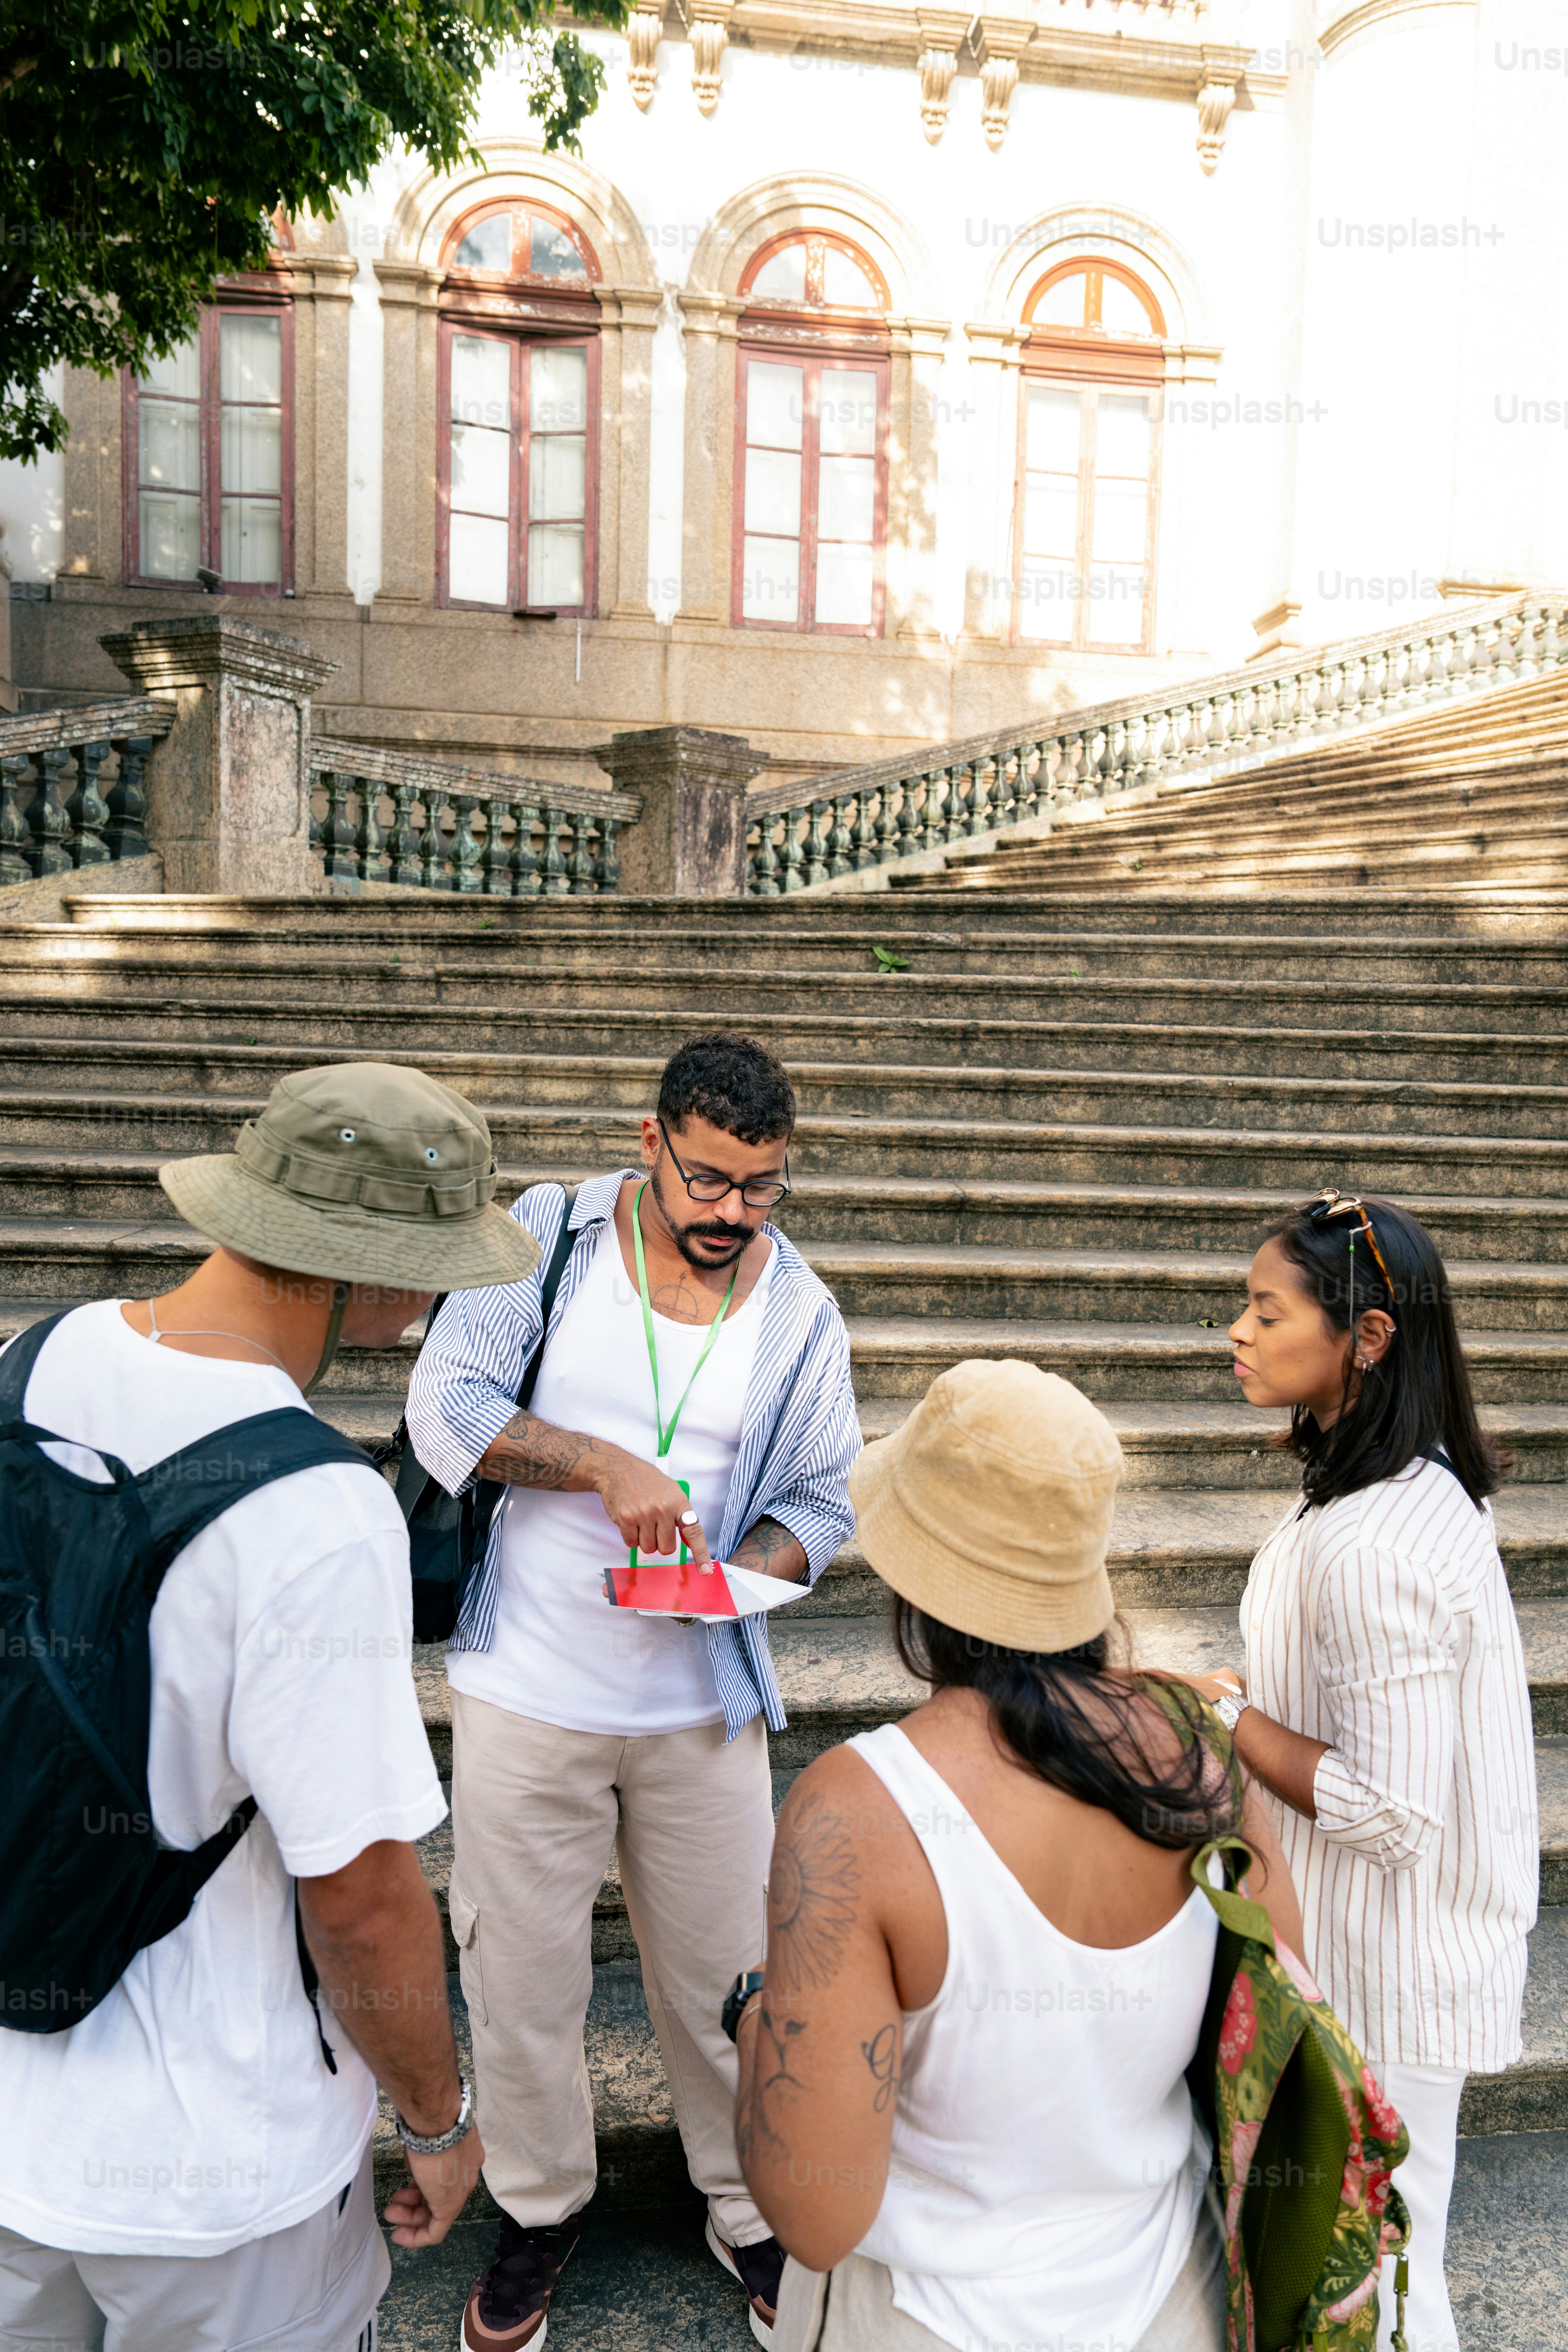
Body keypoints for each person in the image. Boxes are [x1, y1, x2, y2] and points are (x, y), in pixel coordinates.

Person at [0, 1061, 543, 2352]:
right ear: (374, 1264)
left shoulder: (20, 1366)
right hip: (220, 2175)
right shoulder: (313, 1507)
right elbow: (359, 1896)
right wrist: (438, 2119)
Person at [404, 1030, 859, 2351]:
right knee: (522, 1971)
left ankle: (745, 2202)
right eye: (709, 1179)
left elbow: (821, 1499)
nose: (731, 1214)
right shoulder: (543, 1238)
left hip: (694, 1703)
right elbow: (451, 1407)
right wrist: (605, 1462)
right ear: (650, 1143)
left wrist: (741, 1574)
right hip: (527, 1688)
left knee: (732, 1978)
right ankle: (539, 2207)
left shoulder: (800, 1309)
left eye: (761, 1188)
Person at [731, 1357, 1305, 2352]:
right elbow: (1284, 2016)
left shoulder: (858, 1810)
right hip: (1174, 2295)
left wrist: (754, 2025)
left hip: (935, 2318)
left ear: (911, 1569)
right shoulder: (1200, 1744)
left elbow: (815, 2217)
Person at [1197, 1190, 1538, 2352]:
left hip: (1388, 1967)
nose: (1237, 1331)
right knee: (1360, 2266)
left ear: (1369, 1336)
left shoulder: (1379, 1540)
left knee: (1384, 2284)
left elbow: (1387, 1810)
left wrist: (1228, 1716)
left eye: (1265, 1308)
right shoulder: (1387, 1489)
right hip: (1371, 1949)